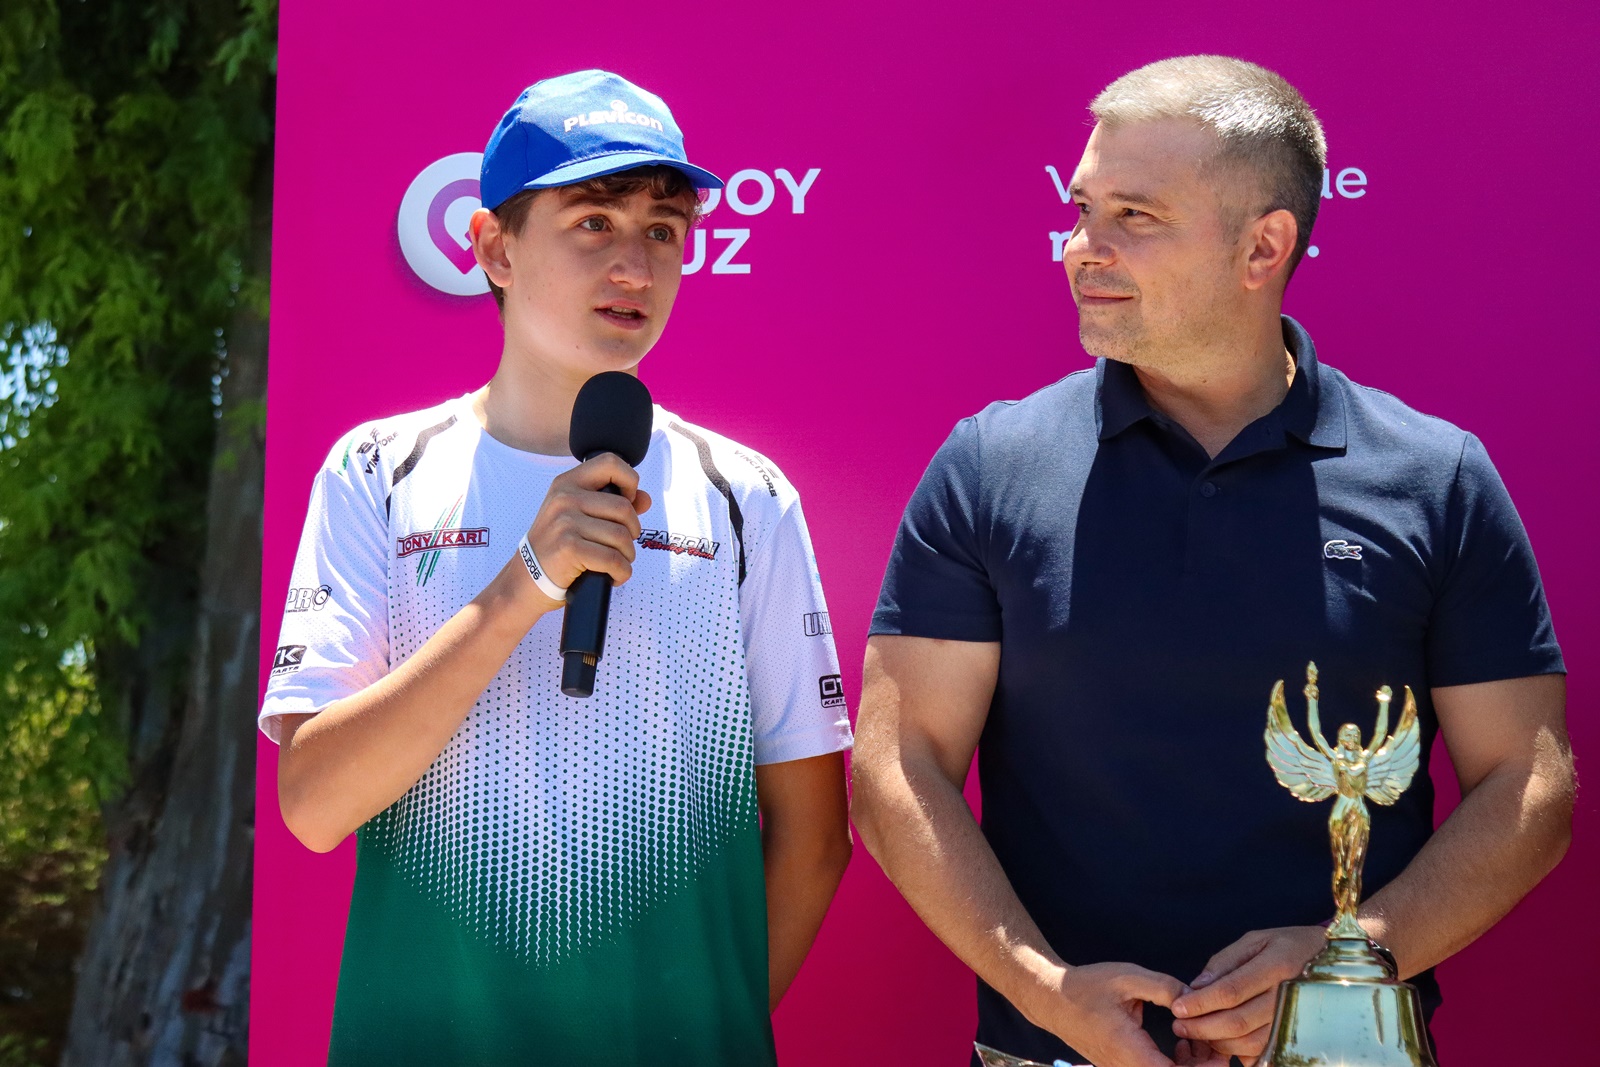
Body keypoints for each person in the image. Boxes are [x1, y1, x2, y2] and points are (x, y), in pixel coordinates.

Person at [850, 55, 1573, 1067]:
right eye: (1081, 208)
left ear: (1262, 246)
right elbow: (897, 766)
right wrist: (1044, 989)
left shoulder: (1434, 476)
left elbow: (1529, 784)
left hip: (1345, 1052)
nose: (1081, 247)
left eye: (1133, 216)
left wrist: (1353, 958)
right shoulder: (989, 465)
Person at [259, 70, 852, 1065]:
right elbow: (314, 806)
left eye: (662, 230)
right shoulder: (376, 470)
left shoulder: (747, 495)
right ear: (494, 247)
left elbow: (815, 836)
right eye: (592, 223)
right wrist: (523, 584)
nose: (635, 265)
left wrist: (700, 1032)